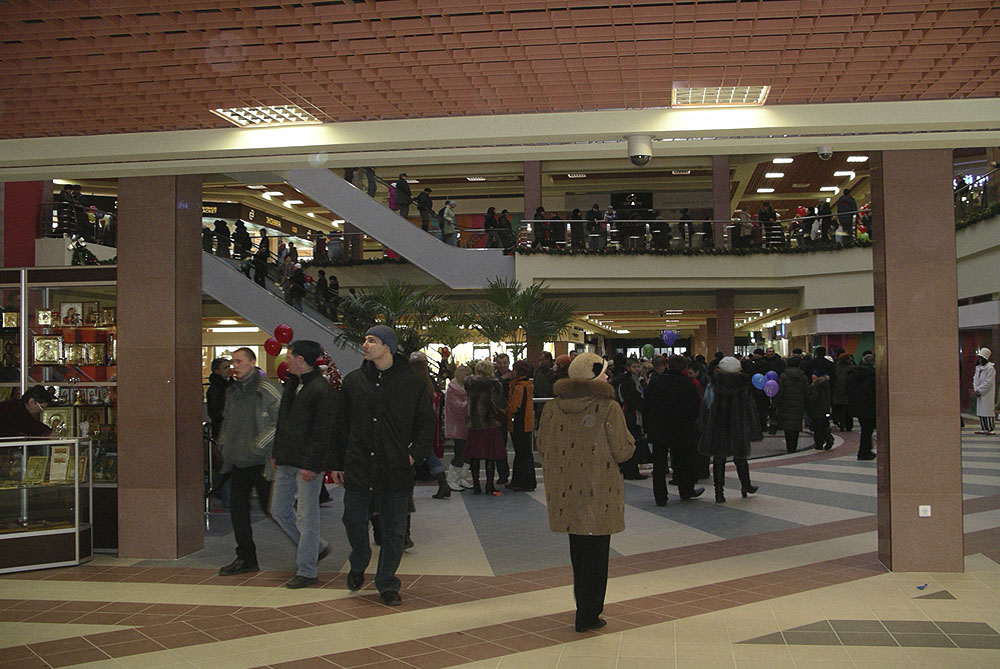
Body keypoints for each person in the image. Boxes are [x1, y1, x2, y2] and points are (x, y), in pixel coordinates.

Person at [332, 325, 435, 606]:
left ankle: (387, 582)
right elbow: (342, 425)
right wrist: (337, 462)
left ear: (387, 346)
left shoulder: (410, 382)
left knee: (394, 530)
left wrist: (414, 454)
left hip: (395, 468)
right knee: (353, 519)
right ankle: (359, 559)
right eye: (364, 339)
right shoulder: (353, 382)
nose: (365, 345)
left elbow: (426, 423)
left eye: (372, 340)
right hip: (359, 465)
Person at [536, 352, 635, 633]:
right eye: (603, 372)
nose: (608, 377)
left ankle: (583, 606)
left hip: (566, 490)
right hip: (599, 490)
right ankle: (589, 613)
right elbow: (622, 450)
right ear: (592, 376)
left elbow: (542, 444)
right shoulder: (607, 407)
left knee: (578, 552)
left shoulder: (554, 408)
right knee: (597, 554)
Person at [269, 340, 338, 589]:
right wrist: (277, 452)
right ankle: (316, 547)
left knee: (307, 518)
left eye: (289, 356)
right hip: (287, 459)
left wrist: (313, 464)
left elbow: (323, 431)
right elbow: (283, 422)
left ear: (301, 360)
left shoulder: (320, 389)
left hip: (306, 464)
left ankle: (307, 570)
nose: (285, 360)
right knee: (279, 511)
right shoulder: (293, 384)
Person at [217, 348, 282, 576]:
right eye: (233, 362)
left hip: (261, 463)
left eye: (239, 361)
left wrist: (259, 445)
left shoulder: (267, 389)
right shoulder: (233, 391)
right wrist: (224, 445)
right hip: (238, 462)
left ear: (252, 362)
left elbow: (280, 421)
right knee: (238, 511)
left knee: (276, 510)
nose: (235, 366)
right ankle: (246, 557)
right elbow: (228, 421)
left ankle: (311, 546)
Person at [699, 356, 761, 503]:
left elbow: (706, 405)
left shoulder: (713, 384)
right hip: (738, 425)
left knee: (719, 459)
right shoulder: (743, 384)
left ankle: (719, 492)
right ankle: (746, 485)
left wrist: (704, 426)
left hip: (717, 425)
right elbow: (749, 408)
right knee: (740, 457)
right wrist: (752, 428)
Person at [643, 355, 704, 505]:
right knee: (682, 461)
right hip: (681, 429)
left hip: (659, 429)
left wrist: (648, 427)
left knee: (659, 464)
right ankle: (686, 490)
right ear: (684, 368)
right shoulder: (688, 384)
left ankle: (660, 497)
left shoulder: (656, 382)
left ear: (668, 365)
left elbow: (648, 405)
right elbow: (695, 408)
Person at [464, 359, 507, 495]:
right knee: (491, 456)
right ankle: (489, 485)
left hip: (474, 423)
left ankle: (476, 485)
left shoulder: (469, 383)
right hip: (490, 423)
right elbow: (498, 403)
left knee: (475, 456)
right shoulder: (494, 384)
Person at [613, 357, 647, 480]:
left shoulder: (634, 380)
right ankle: (631, 471)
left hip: (631, 415)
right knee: (632, 442)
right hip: (630, 415)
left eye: (638, 366)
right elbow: (633, 399)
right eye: (634, 367)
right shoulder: (628, 382)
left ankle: (630, 469)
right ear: (628, 368)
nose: (637, 369)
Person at [506, 359, 536, 492]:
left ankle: (524, 482)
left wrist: (505, 408)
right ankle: (521, 481)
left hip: (519, 423)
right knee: (524, 454)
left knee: (522, 454)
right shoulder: (526, 385)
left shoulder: (519, 387)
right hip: (525, 423)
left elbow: (514, 407)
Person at [444, 365, 472, 491]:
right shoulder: (452, 389)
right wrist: (470, 403)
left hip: (465, 425)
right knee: (459, 454)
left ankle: (460, 477)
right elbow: (456, 406)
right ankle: (451, 479)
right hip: (457, 425)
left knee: (466, 454)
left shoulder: (463, 387)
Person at [775, 357, 809, 453]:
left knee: (787, 426)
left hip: (785, 404)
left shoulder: (783, 376)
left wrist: (776, 402)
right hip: (799, 403)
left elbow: (780, 391)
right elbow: (806, 391)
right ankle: (794, 444)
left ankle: (790, 446)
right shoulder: (803, 377)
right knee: (796, 425)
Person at [846, 353, 877, 460]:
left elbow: (848, 389)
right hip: (870, 405)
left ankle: (867, 449)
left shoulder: (853, 374)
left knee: (865, 429)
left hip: (857, 405)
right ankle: (864, 451)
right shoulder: (873, 376)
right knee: (867, 430)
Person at [206, 357, 232, 443]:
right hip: (222, 428)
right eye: (225, 368)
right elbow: (214, 412)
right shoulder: (215, 389)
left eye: (229, 366)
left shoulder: (235, 386)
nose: (229, 369)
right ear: (217, 371)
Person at [806, 370, 833, 450]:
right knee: (824, 425)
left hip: (817, 410)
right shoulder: (825, 385)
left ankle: (819, 443)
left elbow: (814, 398)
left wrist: (809, 404)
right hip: (825, 409)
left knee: (817, 428)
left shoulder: (816, 386)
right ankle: (828, 438)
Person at [972, 348, 996, 435]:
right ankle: (983, 428)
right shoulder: (978, 368)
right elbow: (975, 379)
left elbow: (988, 382)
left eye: (981, 358)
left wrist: (980, 390)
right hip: (979, 392)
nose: (979, 360)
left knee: (988, 410)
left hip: (987, 393)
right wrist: (976, 389)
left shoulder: (990, 368)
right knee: (981, 411)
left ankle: (990, 428)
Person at [831, 352, 855, 431]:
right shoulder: (851, 367)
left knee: (839, 407)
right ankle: (848, 425)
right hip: (848, 389)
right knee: (848, 409)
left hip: (837, 389)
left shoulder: (836, 367)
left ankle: (840, 422)